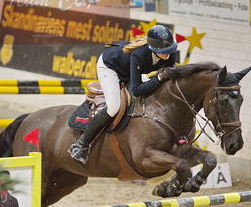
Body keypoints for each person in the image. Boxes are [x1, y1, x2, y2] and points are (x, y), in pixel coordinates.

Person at [68, 25, 177, 165]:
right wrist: (158, 78)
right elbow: (137, 90)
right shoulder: (139, 54)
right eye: (164, 51)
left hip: (132, 70)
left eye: (170, 50)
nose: (168, 55)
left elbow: (169, 76)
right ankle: (81, 144)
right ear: (153, 49)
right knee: (114, 106)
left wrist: (161, 79)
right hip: (110, 67)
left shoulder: (170, 51)